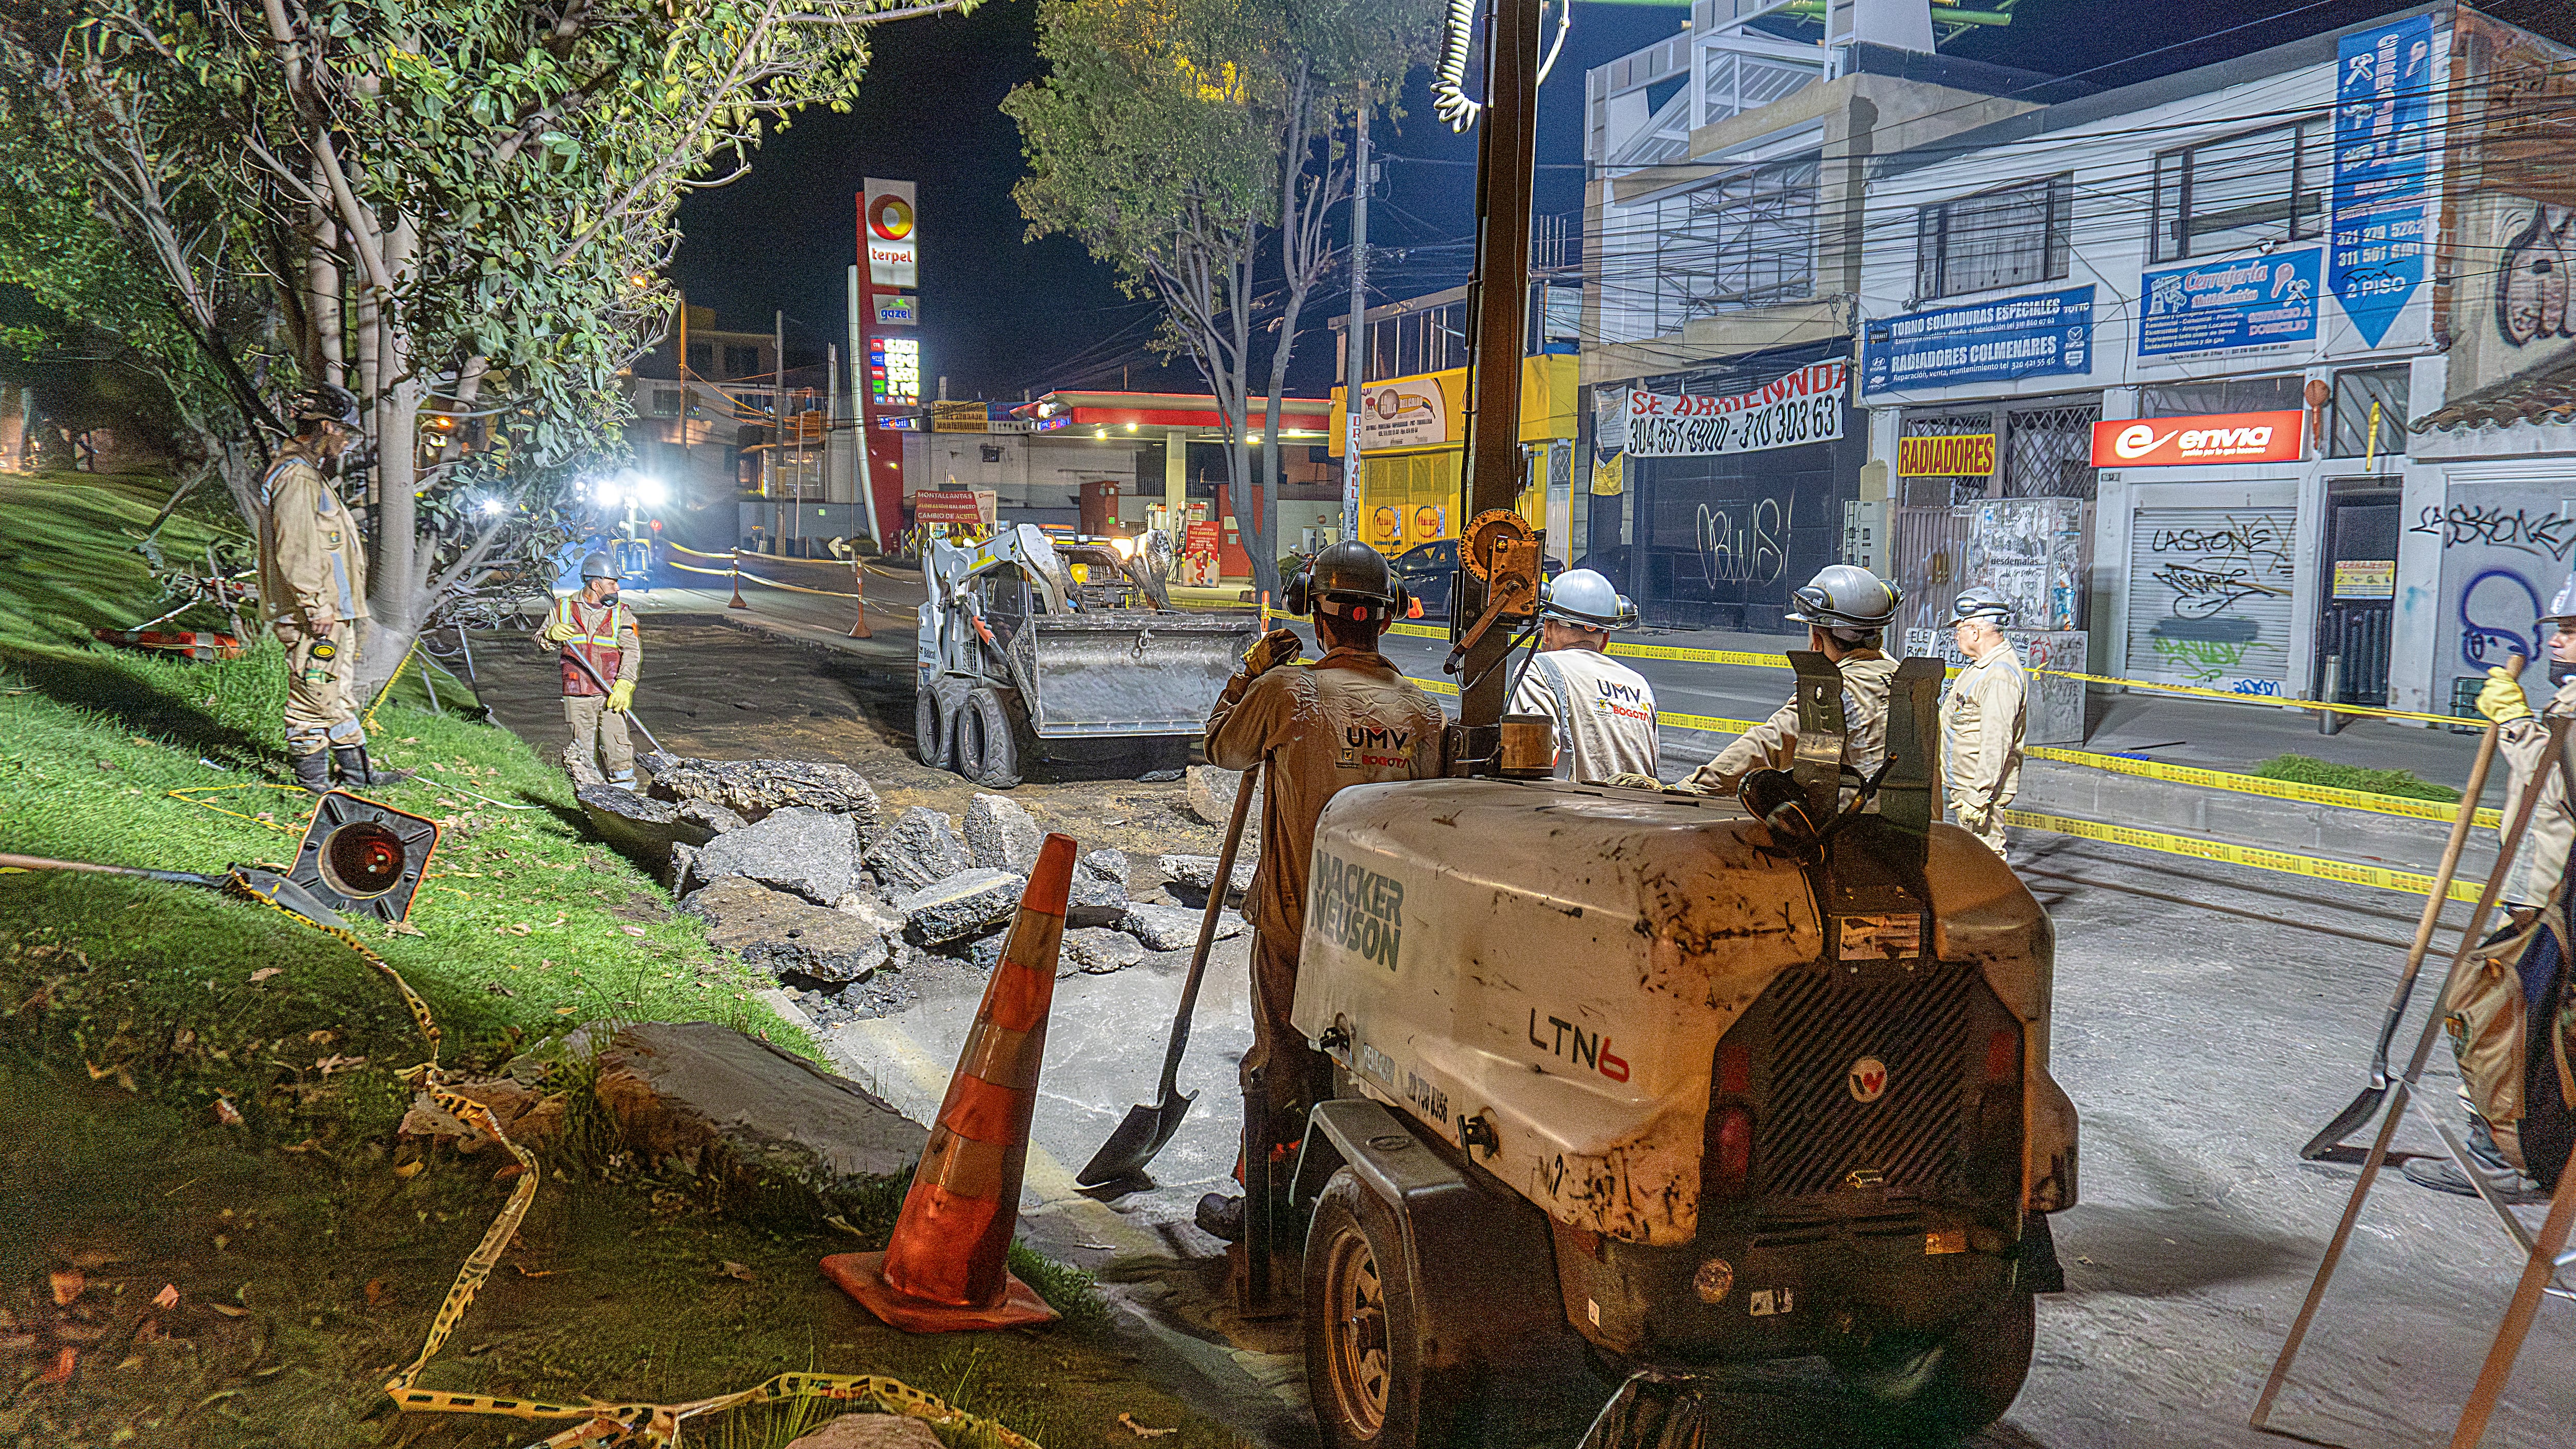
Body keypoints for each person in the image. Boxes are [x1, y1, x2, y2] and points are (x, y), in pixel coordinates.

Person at [1195, 540, 1445, 1240]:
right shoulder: (1425, 713)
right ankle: (1342, 1204)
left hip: (1295, 929)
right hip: (1387, 942)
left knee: (1282, 1069)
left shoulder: (1288, 692)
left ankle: (1269, 1219)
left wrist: (1248, 676)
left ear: (1315, 613)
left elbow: (1220, 748)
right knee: (1373, 1081)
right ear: (1387, 620)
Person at [2406, 585, 2576, 1202]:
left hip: (2549, 901)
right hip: (2546, 894)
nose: (2553, 640)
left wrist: (2513, 723)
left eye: (2570, 630)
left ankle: (2500, 1157)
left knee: (2498, 1024)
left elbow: (2556, 782)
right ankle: (2544, 1151)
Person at [1625, 565, 1902, 800]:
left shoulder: (1835, 689)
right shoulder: (1903, 679)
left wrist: (1690, 788)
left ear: (1818, 638)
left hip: (1860, 839)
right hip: (1924, 837)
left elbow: (1767, 745)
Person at [257, 384, 406, 793]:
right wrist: (315, 604)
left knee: (335, 691)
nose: (346, 442)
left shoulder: (307, 475)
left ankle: (358, 774)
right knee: (313, 693)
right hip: (314, 615)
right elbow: (298, 546)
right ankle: (314, 783)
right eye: (346, 432)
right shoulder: (297, 478)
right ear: (326, 426)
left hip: (331, 612)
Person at [1509, 568, 1658, 783]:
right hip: (1642, 812)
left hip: (1571, 813)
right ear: (1605, 637)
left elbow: (1529, 766)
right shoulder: (1640, 685)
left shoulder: (1538, 669)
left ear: (1548, 630)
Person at [543, 553, 643, 789]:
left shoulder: (621, 612)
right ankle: (587, 794)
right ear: (595, 584)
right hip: (577, 690)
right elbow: (541, 642)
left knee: (617, 744)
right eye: (612, 582)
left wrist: (625, 684)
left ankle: (624, 792)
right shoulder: (563, 608)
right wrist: (549, 634)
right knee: (582, 748)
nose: (617, 587)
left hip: (610, 692)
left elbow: (632, 651)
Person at [1941, 587, 2027, 859]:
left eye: (1959, 630)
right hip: (1966, 789)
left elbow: (1996, 743)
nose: (1957, 636)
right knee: (1972, 863)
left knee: (1988, 862)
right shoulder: (1981, 667)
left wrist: (1978, 800)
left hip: (1978, 796)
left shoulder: (2000, 676)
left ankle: (2000, 904)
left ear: (1975, 631)